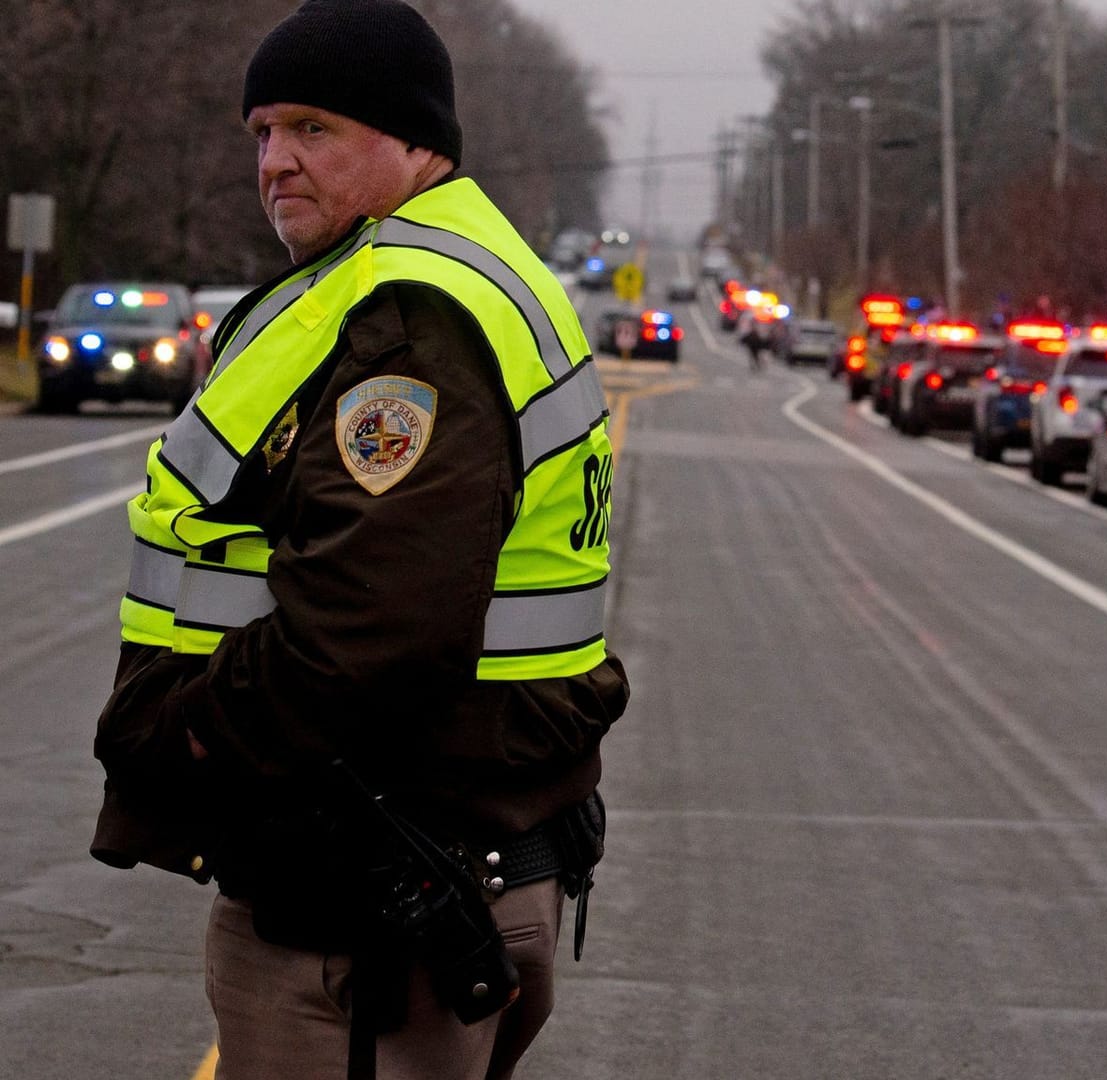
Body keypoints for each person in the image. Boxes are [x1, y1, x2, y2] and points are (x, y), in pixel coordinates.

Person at [87, 2, 629, 1078]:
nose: (276, 162)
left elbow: (371, 629)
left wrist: (181, 738)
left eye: (313, 129)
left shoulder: (414, 316)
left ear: (416, 139)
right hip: (418, 868)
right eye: (261, 134)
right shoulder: (407, 277)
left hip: (372, 904)